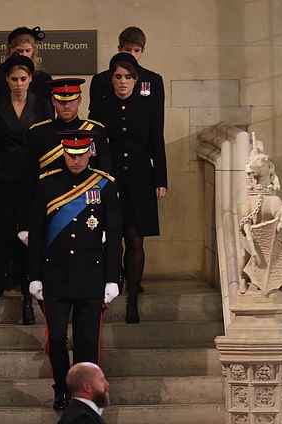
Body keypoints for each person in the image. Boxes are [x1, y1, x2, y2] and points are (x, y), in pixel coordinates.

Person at [27, 132, 122, 410]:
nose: (76, 160)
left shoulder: (104, 185)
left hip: (91, 276)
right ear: (63, 153)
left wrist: (113, 278)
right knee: (56, 337)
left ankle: (84, 395)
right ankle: (61, 389)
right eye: (70, 155)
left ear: (89, 153)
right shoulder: (47, 183)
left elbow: (114, 237)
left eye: (80, 155)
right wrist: (34, 276)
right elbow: (36, 234)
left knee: (87, 342)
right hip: (54, 275)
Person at [89, 52, 168, 324]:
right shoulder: (101, 106)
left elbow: (156, 140)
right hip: (110, 180)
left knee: (135, 238)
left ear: (136, 80)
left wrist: (161, 179)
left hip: (140, 178)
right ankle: (113, 285)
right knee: (111, 237)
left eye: (128, 77)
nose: (123, 82)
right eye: (118, 77)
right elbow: (93, 144)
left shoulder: (145, 106)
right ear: (111, 80)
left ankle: (132, 300)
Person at [0, 54, 52, 317]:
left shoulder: (41, 105)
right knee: (0, 226)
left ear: (30, 79)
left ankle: (26, 280)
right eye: (14, 79)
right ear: (6, 80)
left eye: (23, 79)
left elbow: (47, 142)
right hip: (1, 173)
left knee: (28, 228)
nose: (19, 83)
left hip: (31, 175)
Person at [17, 78, 112, 243]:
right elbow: (28, 181)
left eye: (71, 100)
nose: (66, 105)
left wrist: (106, 224)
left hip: (87, 210)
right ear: (53, 100)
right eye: (61, 101)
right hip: (51, 211)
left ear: (80, 100)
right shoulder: (38, 133)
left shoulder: (96, 131)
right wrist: (25, 224)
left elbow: (105, 179)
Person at [0, 26, 52, 113]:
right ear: (10, 50)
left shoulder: (43, 79)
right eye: (19, 51)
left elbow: (49, 116)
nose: (24, 55)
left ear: (33, 51)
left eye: (27, 51)